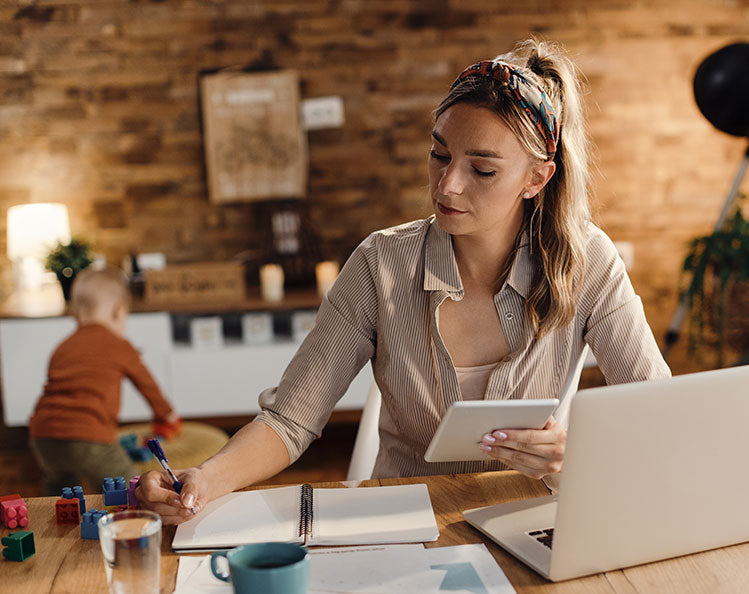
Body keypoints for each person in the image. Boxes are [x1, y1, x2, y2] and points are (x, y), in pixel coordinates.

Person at [138, 37, 670, 524]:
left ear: (537, 177)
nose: (448, 183)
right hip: (405, 529)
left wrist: (572, 451)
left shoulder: (588, 260)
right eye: (439, 153)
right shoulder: (379, 265)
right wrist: (204, 480)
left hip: (537, 522)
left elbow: (660, 414)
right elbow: (291, 420)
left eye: (482, 170)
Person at [29, 267, 181, 495]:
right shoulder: (119, 345)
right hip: (90, 438)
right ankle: (128, 520)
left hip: (43, 437)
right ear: (119, 311)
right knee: (129, 486)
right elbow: (147, 386)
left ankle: (56, 519)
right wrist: (166, 414)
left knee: (62, 491)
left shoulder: (62, 347)